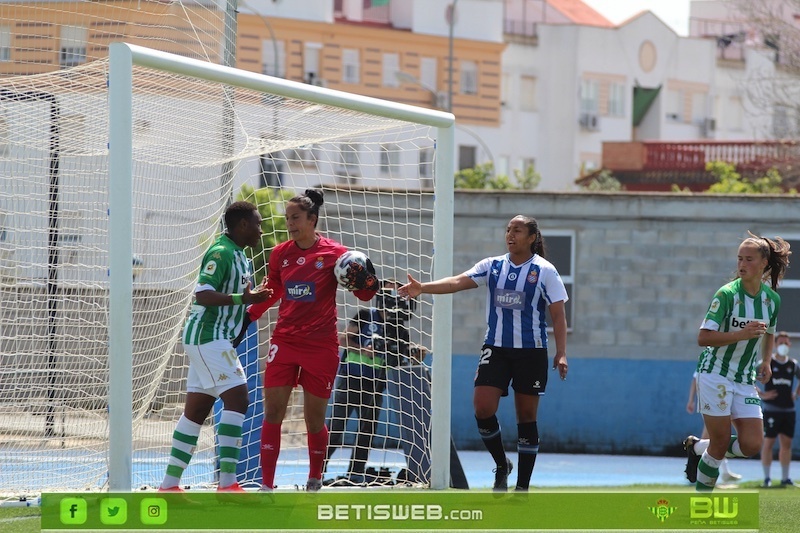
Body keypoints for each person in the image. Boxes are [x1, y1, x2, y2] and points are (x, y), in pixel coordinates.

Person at [398, 214, 568, 492]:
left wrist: (561, 353)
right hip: (496, 348)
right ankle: (502, 464)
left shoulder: (544, 270)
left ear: (532, 237)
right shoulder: (493, 266)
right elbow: (456, 282)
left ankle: (522, 489)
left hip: (531, 352)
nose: (511, 235)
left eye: (518, 230)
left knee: (526, 416)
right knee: (482, 407)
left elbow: (558, 315)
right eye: (508, 229)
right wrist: (422, 288)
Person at [235, 189, 379, 492]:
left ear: (312, 219)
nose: (290, 223)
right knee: (273, 412)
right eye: (287, 218)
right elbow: (272, 290)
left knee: (314, 420)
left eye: (296, 218)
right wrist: (248, 317)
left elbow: (365, 294)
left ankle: (315, 479)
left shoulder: (337, 254)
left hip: (321, 347)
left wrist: (367, 280)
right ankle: (267, 486)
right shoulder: (280, 254)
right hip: (285, 342)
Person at [159, 201, 272, 493]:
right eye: (257, 224)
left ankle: (170, 485)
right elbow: (203, 295)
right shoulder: (221, 253)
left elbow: (238, 298)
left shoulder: (241, 256)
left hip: (215, 338)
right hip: (207, 337)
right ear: (243, 225)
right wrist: (243, 300)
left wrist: (249, 298)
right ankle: (228, 482)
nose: (261, 230)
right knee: (239, 400)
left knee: (196, 412)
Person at [683, 232, 791, 492]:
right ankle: (701, 504)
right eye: (739, 258)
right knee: (719, 445)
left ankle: (697, 447)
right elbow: (703, 337)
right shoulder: (727, 295)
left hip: (744, 379)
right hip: (715, 374)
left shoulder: (771, 300)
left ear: (764, 263)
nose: (742, 264)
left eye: (749, 259)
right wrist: (741, 334)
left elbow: (769, 332)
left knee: (752, 445)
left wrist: (765, 361)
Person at [322, 281, 392, 486]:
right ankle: (318, 470)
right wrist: (364, 350)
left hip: (375, 383)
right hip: (351, 379)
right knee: (336, 427)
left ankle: (355, 473)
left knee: (367, 430)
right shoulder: (364, 315)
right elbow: (342, 340)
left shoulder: (396, 327)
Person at [757, 331, 800, 488]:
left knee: (786, 444)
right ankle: (767, 478)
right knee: (768, 442)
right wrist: (761, 394)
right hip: (771, 409)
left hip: (788, 410)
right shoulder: (767, 363)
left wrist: (796, 394)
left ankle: (785, 478)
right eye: (780, 342)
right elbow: (747, 377)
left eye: (785, 343)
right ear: (775, 345)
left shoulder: (793, 365)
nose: (783, 346)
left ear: (789, 345)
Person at [685, 372, 741, 484]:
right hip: (714, 402)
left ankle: (720, 472)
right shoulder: (710, 358)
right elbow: (695, 379)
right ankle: (701, 472)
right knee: (713, 439)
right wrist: (691, 400)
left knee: (716, 440)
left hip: (725, 401)